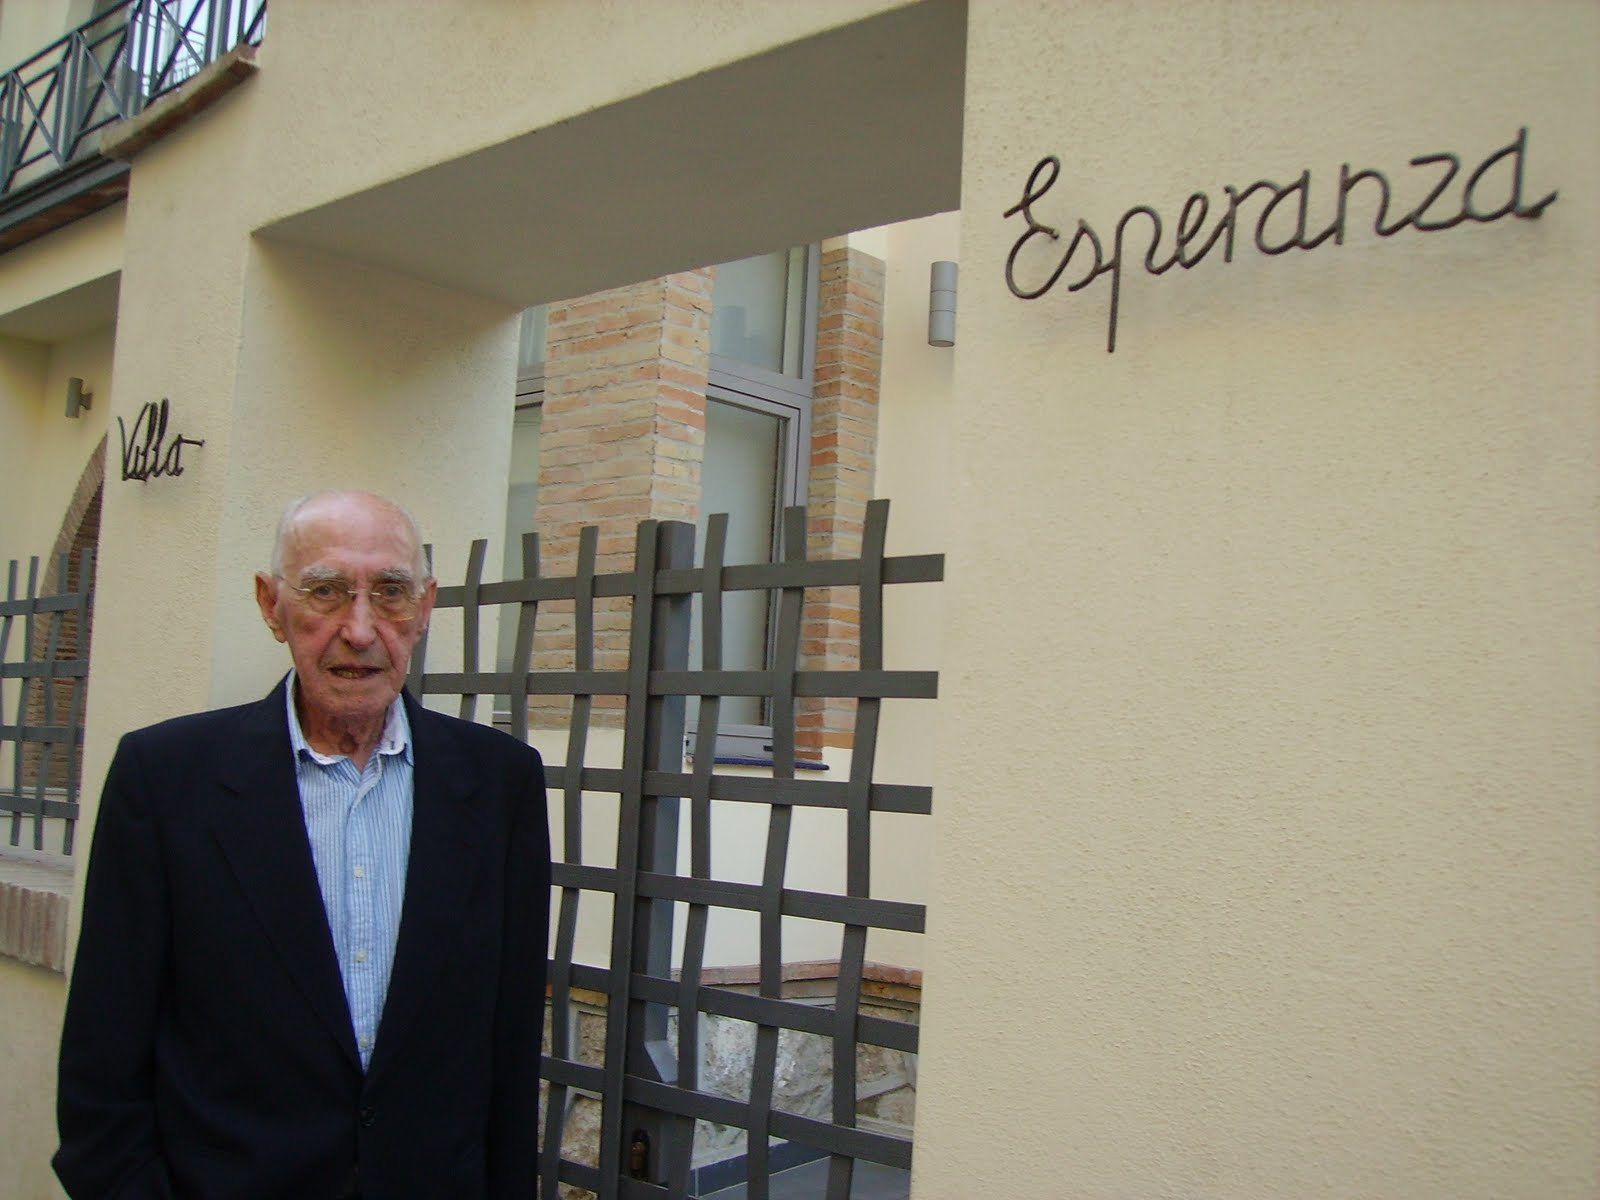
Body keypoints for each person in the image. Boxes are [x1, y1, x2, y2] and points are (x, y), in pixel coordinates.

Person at [54, 490, 550, 1199]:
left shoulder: (500, 782)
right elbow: (103, 1069)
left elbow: (510, 1053)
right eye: (325, 591)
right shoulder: (164, 781)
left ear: (425, 607)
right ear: (271, 604)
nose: (360, 630)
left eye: (390, 593)